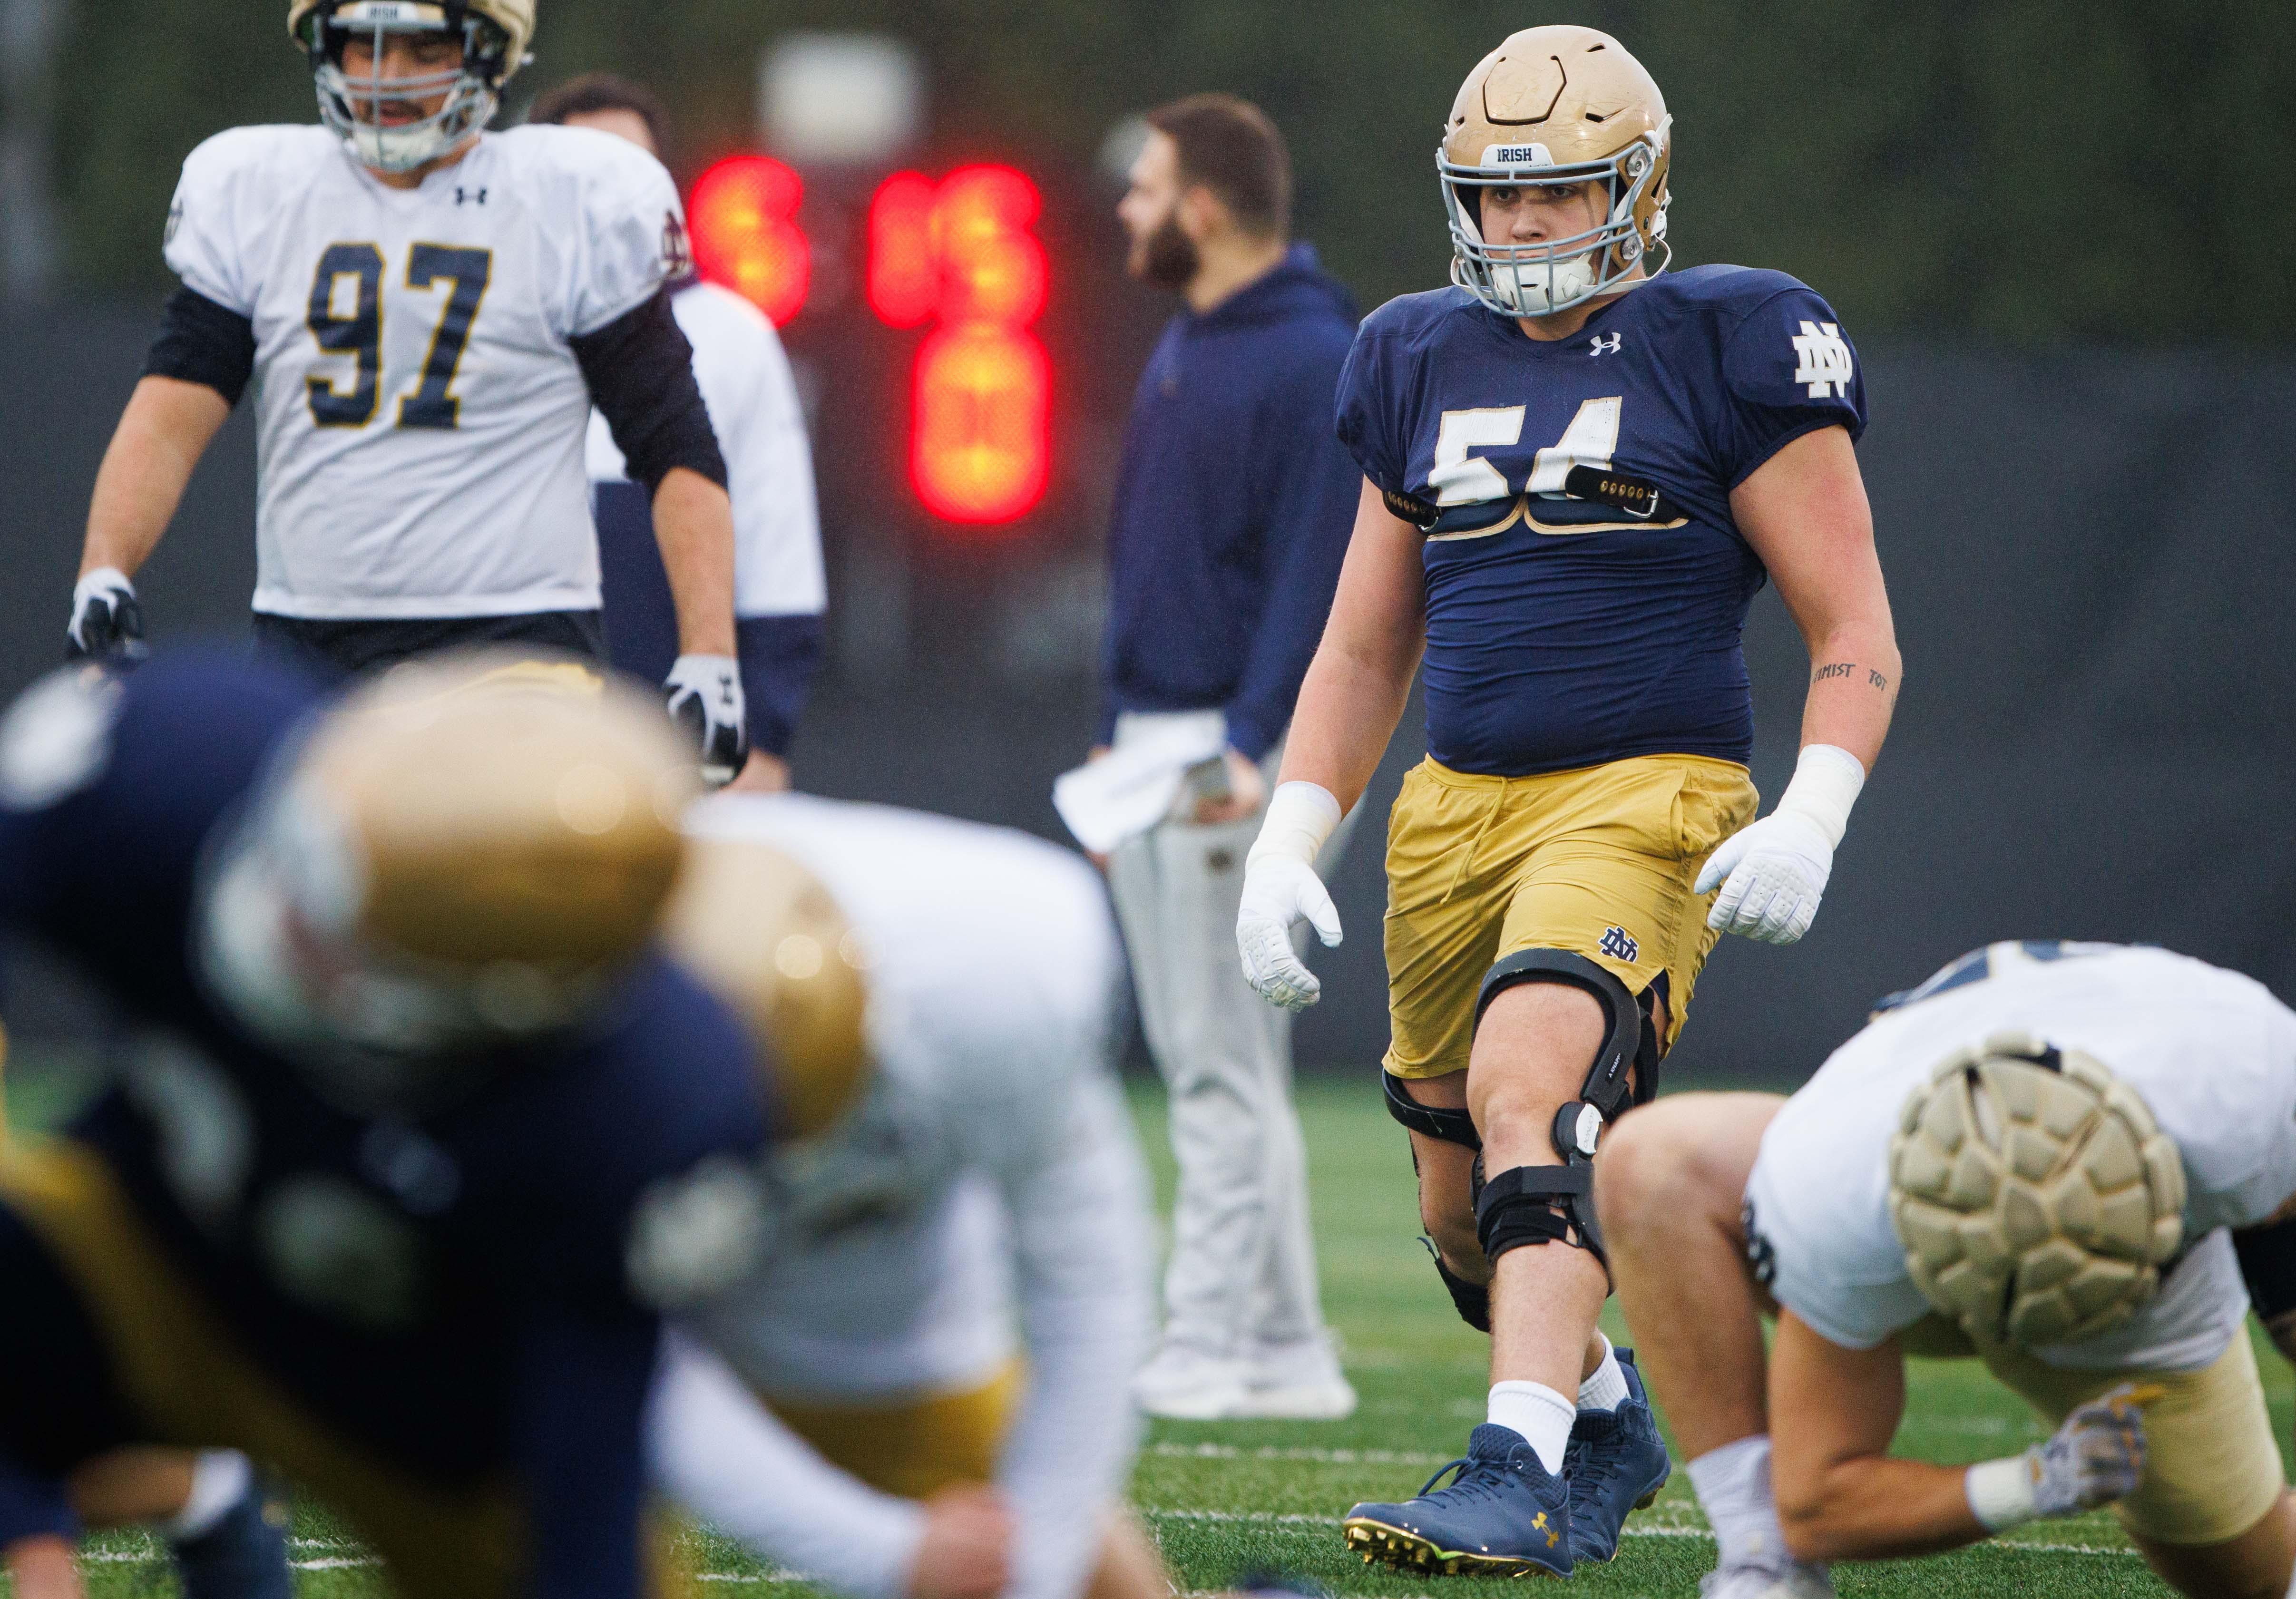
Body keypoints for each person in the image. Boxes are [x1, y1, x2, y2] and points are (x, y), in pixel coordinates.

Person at [1235, 23, 1901, 1575]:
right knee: (1468, 1211)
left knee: (1538, 1082)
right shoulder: (1409, 349)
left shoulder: (1727, 337)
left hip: (1647, 788)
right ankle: (1600, 1417)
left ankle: (1514, 1464)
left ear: (1641, 186)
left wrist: (1813, 810)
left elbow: (1852, 621)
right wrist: (1288, 835)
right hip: (1455, 808)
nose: (1526, 226)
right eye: (1498, 197)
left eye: (1562, 195)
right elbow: (1362, 636)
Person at [0, 651, 770, 1599]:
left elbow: (586, 1471)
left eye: (340, 940)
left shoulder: (637, 1112)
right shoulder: (177, 761)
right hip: (150, 1239)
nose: (281, 920)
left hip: (428, 1420)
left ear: (510, 1016)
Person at [64, 0, 748, 783]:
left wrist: (710, 655)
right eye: (364, 48)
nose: (387, 79)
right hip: (305, 646)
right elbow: (169, 414)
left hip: (518, 646)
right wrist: (104, 570)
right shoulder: (259, 188)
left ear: (489, 53)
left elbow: (675, 444)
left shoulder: (570, 197)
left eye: (423, 48)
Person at [1597, 940, 2296, 1599]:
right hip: (1905, 1240)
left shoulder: (2242, 1078)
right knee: (1651, 1166)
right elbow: (1817, 1499)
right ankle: (1761, 1566)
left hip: (2151, 1307)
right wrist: (2035, 1480)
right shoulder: (1836, 1185)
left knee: (2259, 1574)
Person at [642, 795, 1170, 1599]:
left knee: (1071, 1561)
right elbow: (607, 1358)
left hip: (881, 1317)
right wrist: (883, 1553)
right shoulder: (571, 1014)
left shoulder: (993, 980)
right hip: (638, 1296)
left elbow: (1089, 1288)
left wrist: (1033, 1569)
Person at [1095, 93, 1361, 1422]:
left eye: (1146, 189)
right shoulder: (1193, 341)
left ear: (1203, 204)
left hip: (1232, 752)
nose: (1130, 211)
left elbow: (1323, 589)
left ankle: (1200, 1343)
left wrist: (1254, 744)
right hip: (1159, 745)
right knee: (1222, 1062)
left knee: (1212, 1066)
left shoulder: (1316, 355)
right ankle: (1287, 1348)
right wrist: (1114, 739)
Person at [530, 74, 830, 793]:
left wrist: (764, 733)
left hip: (673, 739)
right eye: (581, 171)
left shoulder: (730, 334)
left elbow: (776, 541)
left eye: (627, 168)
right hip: (516, 729)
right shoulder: (493, 323)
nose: (605, 193)